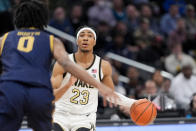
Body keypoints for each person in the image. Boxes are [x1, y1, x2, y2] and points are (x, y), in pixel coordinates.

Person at [0, 1, 118, 131]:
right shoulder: (52, 40)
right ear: (43, 19)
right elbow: (68, 64)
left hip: (11, 89)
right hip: (38, 91)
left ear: (17, 19)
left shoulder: (4, 39)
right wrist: (99, 85)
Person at [51, 26, 137, 131]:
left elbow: (110, 94)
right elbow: (51, 96)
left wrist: (132, 103)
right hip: (61, 114)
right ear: (77, 41)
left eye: (90, 36)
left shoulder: (103, 65)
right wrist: (68, 85)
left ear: (94, 42)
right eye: (82, 36)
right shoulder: (62, 62)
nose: (85, 38)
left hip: (85, 118)